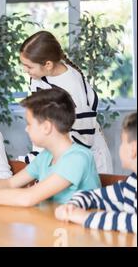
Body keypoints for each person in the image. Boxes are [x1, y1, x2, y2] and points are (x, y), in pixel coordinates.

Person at [0, 88, 101, 206]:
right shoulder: (46, 156)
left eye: (29, 124)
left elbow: (28, 198)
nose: (26, 129)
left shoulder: (77, 158)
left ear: (46, 127)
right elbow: (10, 183)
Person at [19, 31, 112, 175]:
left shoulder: (72, 86)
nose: (25, 70)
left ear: (48, 64)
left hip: (85, 155)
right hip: (57, 153)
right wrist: (37, 158)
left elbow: (84, 138)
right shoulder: (38, 76)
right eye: (23, 65)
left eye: (29, 67)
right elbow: (40, 121)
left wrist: (48, 159)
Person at [55, 112, 137, 233]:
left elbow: (133, 222)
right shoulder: (132, 183)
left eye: (122, 142)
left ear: (133, 149)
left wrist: (84, 217)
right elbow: (94, 196)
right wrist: (72, 207)